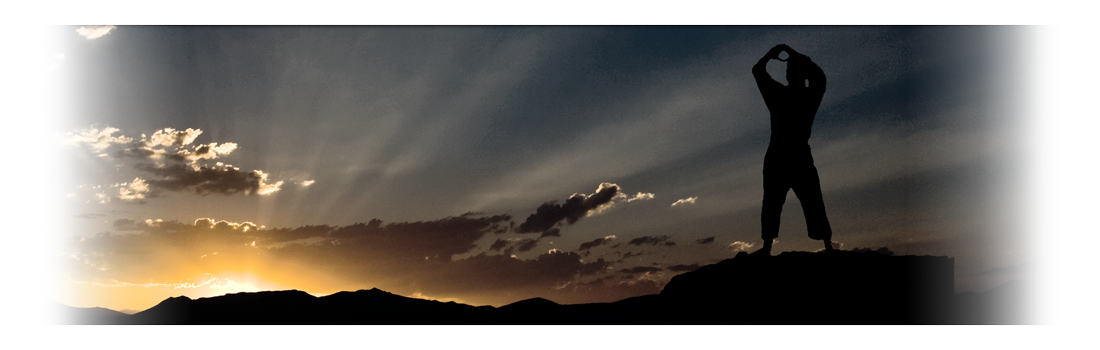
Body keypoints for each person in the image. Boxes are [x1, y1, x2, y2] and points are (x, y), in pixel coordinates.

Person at [751, 44, 832, 255]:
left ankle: (768, 246)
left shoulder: (780, 95)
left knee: (780, 202)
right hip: (795, 156)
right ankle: (827, 245)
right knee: (801, 201)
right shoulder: (809, 96)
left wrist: (774, 53)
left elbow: (758, 70)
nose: (789, 73)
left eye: (791, 70)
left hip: (783, 155)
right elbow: (819, 76)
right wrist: (795, 55)